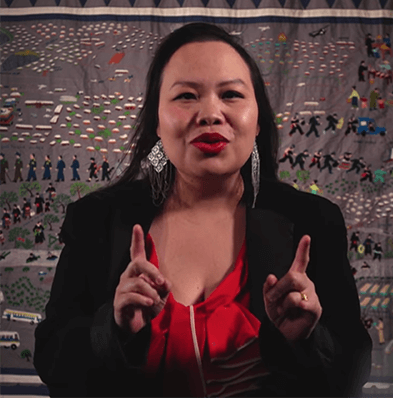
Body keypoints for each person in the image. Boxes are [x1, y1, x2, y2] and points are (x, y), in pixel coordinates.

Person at [34, 23, 371, 398]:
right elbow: (52, 363)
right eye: (186, 96)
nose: (210, 113)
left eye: (230, 94)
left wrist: (308, 339)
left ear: (257, 121)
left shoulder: (313, 222)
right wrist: (112, 330)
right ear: (157, 123)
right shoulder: (97, 220)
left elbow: (350, 376)